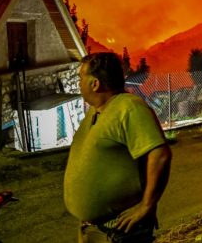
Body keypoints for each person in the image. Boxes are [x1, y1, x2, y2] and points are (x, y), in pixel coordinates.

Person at [64, 52, 171, 243]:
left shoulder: (129, 108)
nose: (78, 83)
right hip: (94, 228)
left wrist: (147, 206)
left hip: (120, 230)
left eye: (81, 78)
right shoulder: (98, 110)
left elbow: (160, 155)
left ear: (95, 84)